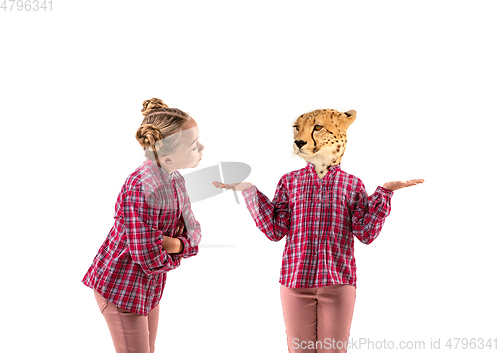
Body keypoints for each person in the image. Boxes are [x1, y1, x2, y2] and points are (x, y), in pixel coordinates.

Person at [213, 108, 424, 353]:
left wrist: (384, 193)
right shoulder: (289, 181)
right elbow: (274, 231)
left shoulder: (352, 183)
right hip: (295, 281)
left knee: (333, 351)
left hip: (338, 281)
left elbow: (366, 233)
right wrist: (250, 192)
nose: (301, 138)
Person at [82, 98, 204, 353]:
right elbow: (148, 258)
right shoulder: (142, 187)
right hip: (121, 289)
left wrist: (174, 244)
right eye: (193, 145)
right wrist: (181, 250)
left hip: (148, 290)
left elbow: (194, 230)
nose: (201, 147)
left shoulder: (176, 180)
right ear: (168, 158)